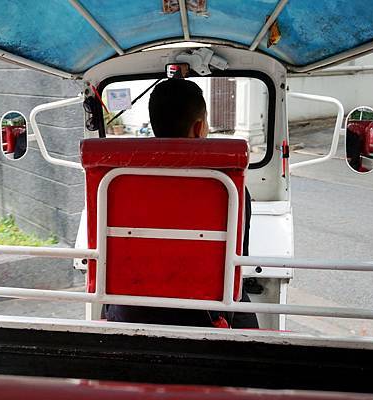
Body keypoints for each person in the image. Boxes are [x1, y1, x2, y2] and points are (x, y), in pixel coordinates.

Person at [105, 78, 259, 328]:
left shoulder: (116, 183)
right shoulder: (227, 188)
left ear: (154, 125)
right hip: (203, 316)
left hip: (130, 311)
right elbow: (238, 265)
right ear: (198, 128)